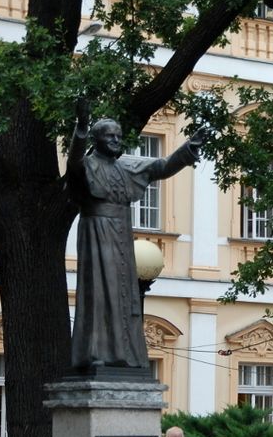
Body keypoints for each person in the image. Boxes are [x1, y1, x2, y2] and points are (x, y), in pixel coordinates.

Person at [66, 100, 206, 372]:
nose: (117, 140)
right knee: (100, 292)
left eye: (119, 136)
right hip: (97, 231)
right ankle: (95, 354)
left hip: (121, 231)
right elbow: (73, 164)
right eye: (110, 136)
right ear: (96, 139)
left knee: (125, 295)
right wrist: (80, 127)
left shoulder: (127, 167)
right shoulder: (87, 165)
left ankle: (124, 355)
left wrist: (189, 148)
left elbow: (162, 167)